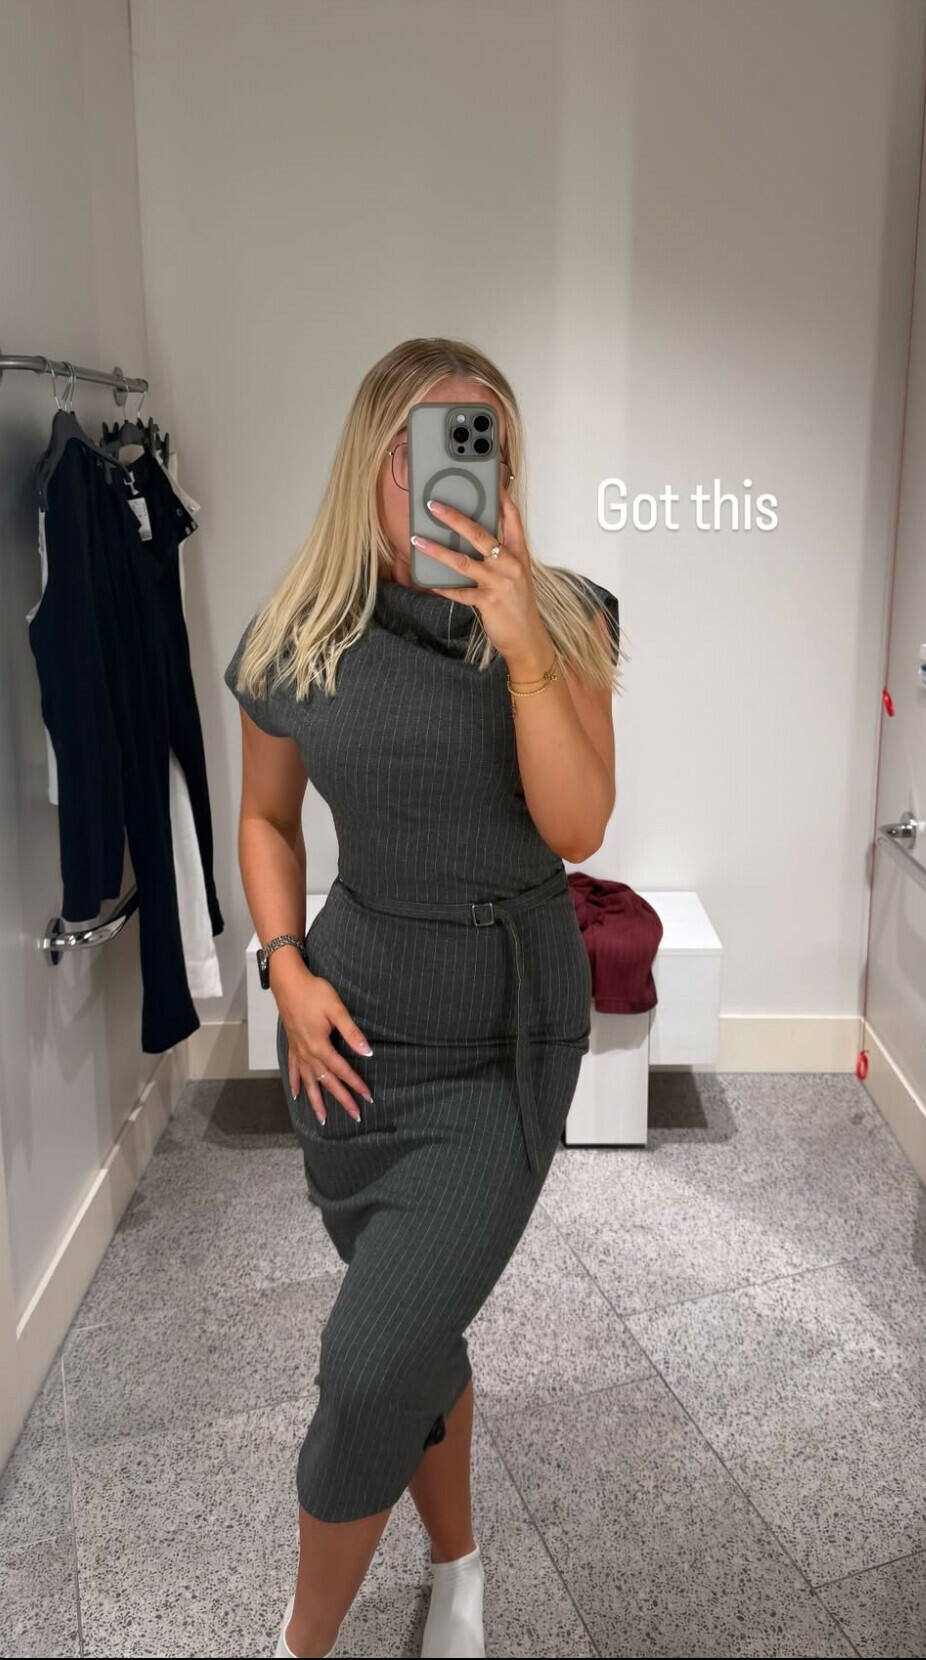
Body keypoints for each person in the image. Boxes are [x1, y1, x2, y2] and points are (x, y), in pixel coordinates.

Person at [224, 336, 622, 1659]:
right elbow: (265, 820)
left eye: (475, 442)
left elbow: (577, 826)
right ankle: (458, 1564)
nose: (444, 475)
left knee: (368, 1361)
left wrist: (522, 648)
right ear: (369, 463)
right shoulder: (296, 634)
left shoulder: (568, 617)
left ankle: (301, 1644)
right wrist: (283, 969)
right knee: (416, 1331)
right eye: (416, 447)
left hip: (505, 1039)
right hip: (350, 1038)